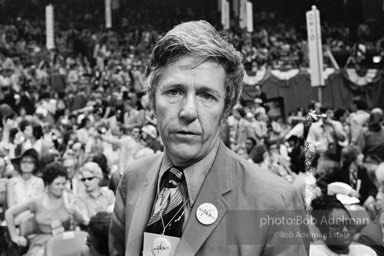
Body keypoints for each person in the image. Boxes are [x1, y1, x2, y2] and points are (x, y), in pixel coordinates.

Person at [109, 20, 309, 256]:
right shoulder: (132, 178)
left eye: (206, 96)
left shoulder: (276, 203)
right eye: (174, 91)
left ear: (225, 110)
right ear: (152, 102)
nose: (188, 111)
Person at [5, 162, 83, 256]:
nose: (61, 187)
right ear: (48, 184)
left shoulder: (68, 198)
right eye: (57, 184)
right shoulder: (37, 201)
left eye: (63, 183)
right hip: (41, 243)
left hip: (64, 241)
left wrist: (74, 211)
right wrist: (14, 236)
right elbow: (9, 213)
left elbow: (81, 221)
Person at [310, 195, 377, 256]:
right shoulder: (313, 252)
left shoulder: (366, 252)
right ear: (323, 229)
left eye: (348, 224)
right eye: (336, 226)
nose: (345, 230)